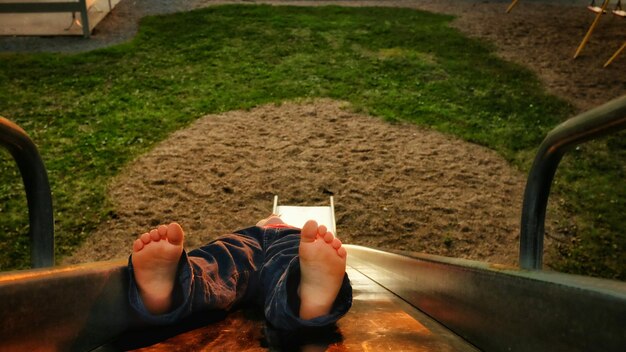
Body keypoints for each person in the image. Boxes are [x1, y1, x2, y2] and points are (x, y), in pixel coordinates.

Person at [127, 215, 352, 332]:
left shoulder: (270, 227)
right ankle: (304, 294)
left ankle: (173, 289)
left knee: (222, 261)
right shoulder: (285, 229)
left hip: (256, 242)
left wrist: (268, 220)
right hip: (283, 242)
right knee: (285, 265)